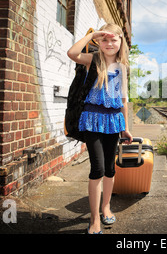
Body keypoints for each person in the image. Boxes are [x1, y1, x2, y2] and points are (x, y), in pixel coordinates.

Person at [67, 23, 133, 234]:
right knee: (97, 169)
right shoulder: (93, 60)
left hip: (114, 121)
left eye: (114, 39)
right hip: (92, 119)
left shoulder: (123, 67)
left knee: (110, 169)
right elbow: (72, 53)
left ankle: (106, 207)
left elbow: (123, 99)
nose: (109, 43)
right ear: (99, 42)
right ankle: (94, 219)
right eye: (105, 40)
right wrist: (93, 35)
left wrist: (126, 127)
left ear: (121, 42)